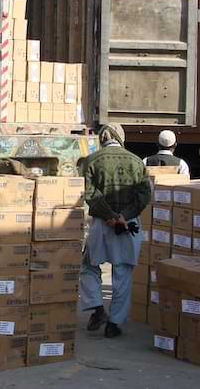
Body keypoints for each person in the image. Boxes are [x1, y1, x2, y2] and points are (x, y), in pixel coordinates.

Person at [80, 123, 151, 338]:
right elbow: (144, 194)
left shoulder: (92, 160)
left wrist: (109, 215)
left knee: (89, 266)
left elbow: (90, 194)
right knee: (123, 274)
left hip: (101, 225)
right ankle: (114, 323)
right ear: (121, 138)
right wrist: (123, 216)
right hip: (128, 226)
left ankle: (97, 307)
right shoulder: (137, 161)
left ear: (102, 138)